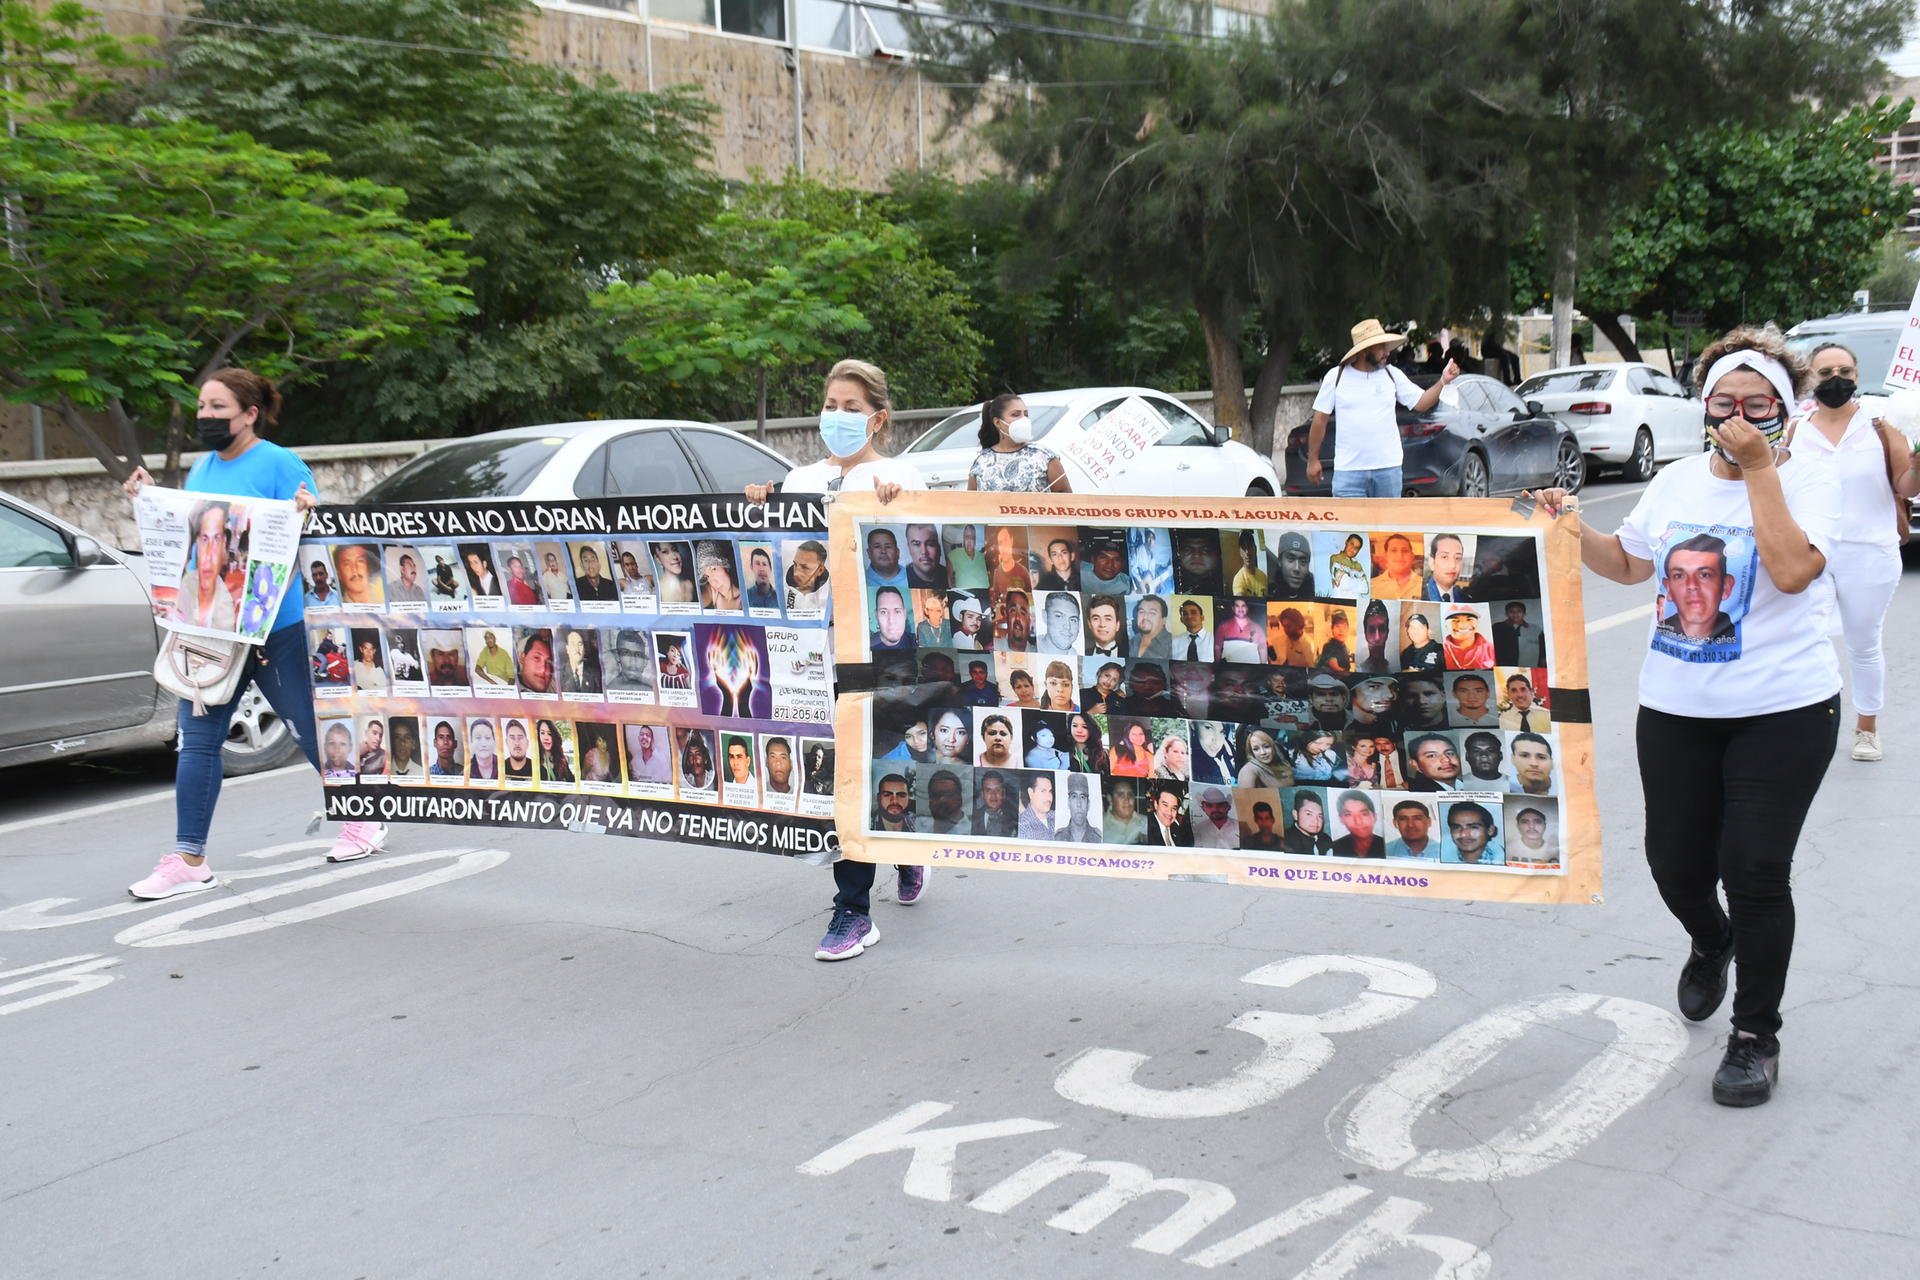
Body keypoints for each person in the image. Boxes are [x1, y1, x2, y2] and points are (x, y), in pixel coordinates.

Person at [1532, 327, 1842, 1107]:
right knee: (1675, 863)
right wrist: (1571, 528)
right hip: (1676, 708)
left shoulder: (1810, 478)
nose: (1738, 415)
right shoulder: (1673, 482)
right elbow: (1632, 565)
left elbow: (1794, 570)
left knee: (1756, 867)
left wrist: (1761, 470)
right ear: (1704, 408)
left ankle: (1754, 1037)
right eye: (1724, 403)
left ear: (1785, 410)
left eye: (1757, 404)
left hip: (1786, 708)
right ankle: (1712, 939)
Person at [123, 369, 389, 903]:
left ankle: (364, 817)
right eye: (201, 406)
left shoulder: (278, 462)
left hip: (277, 626)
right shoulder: (200, 468)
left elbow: (313, 535)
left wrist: (305, 513)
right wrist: (152, 501)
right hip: (214, 628)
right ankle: (188, 858)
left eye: (218, 407)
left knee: (308, 728)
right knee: (197, 741)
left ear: (249, 414)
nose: (206, 416)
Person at [1788, 342, 1919, 761]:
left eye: (1844, 371)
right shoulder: (1795, 430)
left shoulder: (1881, 425)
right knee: (1807, 638)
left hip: (1871, 551)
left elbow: (1907, 486)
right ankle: (1808, 725)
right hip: (1813, 553)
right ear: (1810, 378)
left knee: (1863, 642)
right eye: (1825, 372)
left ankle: (1867, 728)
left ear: (1857, 375)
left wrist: (1918, 460)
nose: (1836, 380)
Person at [1308, 319, 1458, 496]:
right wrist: (1312, 460)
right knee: (1350, 524)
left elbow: (1422, 402)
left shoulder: (1391, 374)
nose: (1387, 352)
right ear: (1364, 350)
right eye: (1381, 347)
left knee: (1387, 524)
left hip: (1388, 470)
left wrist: (1443, 381)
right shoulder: (1336, 377)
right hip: (1348, 472)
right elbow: (1320, 420)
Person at [970, 393, 1071, 492]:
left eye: (1026, 415)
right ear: (997, 422)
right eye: (1016, 415)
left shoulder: (1044, 457)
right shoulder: (981, 461)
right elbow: (969, 504)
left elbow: (1068, 501)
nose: (1023, 420)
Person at [175, 502, 240, 631]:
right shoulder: (181, 595)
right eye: (205, 540)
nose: (209, 556)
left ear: (224, 544)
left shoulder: (230, 605)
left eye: (216, 540)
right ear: (197, 544)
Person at [1329, 791, 1384, 857]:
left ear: (1374, 817)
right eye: (1349, 815)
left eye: (1364, 814)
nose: (1358, 821)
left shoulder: (1386, 846)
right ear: (1341, 819)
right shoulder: (1333, 848)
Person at [1491, 601, 1545, 668]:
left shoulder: (1535, 629)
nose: (1515, 614)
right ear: (1506, 614)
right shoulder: (1497, 628)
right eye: (1511, 612)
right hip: (1504, 668)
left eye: (1519, 611)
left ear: (1524, 613)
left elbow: (1543, 651)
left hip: (1529, 667)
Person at [1370, 534, 1422, 600]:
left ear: (1412, 556)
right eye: (1394, 550)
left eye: (1405, 551)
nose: (1400, 555)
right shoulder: (1371, 586)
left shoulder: (1425, 586)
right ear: (1386, 556)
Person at [918, 770, 969, 834]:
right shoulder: (918, 826)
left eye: (948, 795)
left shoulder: (971, 831)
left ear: (960, 800)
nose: (942, 800)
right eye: (936, 795)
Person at [786, 540, 830, 613]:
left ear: (820, 570)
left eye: (804, 567)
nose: (795, 574)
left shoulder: (831, 594)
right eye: (795, 564)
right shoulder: (780, 587)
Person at [1283, 789, 1332, 855]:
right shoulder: (1285, 841)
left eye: (1320, 816)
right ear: (1295, 815)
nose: (1316, 821)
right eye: (1309, 814)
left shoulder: (1326, 839)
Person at [972, 770, 1018, 836]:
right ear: (983, 795)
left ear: (1003, 793)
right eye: (988, 791)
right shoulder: (973, 818)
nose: (993, 795)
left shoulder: (1014, 819)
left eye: (997, 790)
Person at [1145, 782, 1192, 846]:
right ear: (1156, 804)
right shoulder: (1145, 827)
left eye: (1174, 808)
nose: (1169, 813)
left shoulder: (1176, 829)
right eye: (1165, 805)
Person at [1215, 598, 1262, 662]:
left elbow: (1263, 649)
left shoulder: (1257, 628)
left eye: (1243, 606)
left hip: (1251, 669)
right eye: (1237, 606)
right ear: (1233, 608)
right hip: (1230, 669)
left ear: (1247, 608)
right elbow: (1217, 647)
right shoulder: (1223, 626)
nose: (1240, 609)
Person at [1423, 534, 1467, 601]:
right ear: (1432, 562)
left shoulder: (1466, 599)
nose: (1453, 565)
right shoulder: (1421, 596)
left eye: (1457, 558)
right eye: (1445, 557)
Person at [1270, 531, 1314, 598]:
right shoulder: (1269, 594)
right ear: (1280, 561)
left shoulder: (1314, 598)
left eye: (1303, 561)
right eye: (1290, 558)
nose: (1297, 568)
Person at [1104, 779, 1148, 844]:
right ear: (1110, 799)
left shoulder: (1146, 823)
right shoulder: (1101, 827)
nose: (1127, 800)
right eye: (1121, 795)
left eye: (1130, 795)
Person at [1059, 774, 1101, 843]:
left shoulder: (1098, 838)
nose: (1079, 804)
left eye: (1082, 797)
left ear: (1088, 804)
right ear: (1069, 802)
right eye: (1074, 797)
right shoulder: (1058, 838)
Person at [560, 629, 602, 694]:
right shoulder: (559, 675)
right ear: (567, 649)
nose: (577, 649)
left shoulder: (596, 674)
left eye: (580, 644)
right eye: (573, 644)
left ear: (584, 649)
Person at [870, 585, 912, 651]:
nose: (891, 620)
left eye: (897, 611)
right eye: (883, 612)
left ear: (905, 614)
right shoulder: (867, 645)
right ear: (876, 616)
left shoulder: (914, 641)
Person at [1018, 772, 1058, 839]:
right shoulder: (1022, 826)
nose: (1048, 797)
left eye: (1050, 791)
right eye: (1043, 791)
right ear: (1030, 793)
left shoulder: (1057, 817)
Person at [949, 524, 989, 589]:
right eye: (967, 537)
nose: (969, 540)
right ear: (964, 540)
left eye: (971, 537)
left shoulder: (984, 557)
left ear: (975, 540)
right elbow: (947, 575)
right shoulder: (955, 554)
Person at [1173, 598, 1212, 664]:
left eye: (1193, 612)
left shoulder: (1214, 640)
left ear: (1202, 617)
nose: (1189, 616)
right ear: (1181, 619)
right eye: (1185, 614)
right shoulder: (1174, 643)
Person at [536, 719, 575, 785]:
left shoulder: (561, 761)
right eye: (542, 733)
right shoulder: (533, 761)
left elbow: (572, 783)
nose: (546, 738)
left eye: (549, 734)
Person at [743, 546, 781, 610]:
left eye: (764, 564)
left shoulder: (780, 597)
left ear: (770, 568)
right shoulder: (746, 596)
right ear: (751, 567)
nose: (761, 569)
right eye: (757, 564)